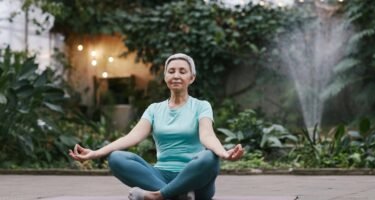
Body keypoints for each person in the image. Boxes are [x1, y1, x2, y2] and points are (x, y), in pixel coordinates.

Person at [69, 53, 244, 200]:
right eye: (171, 71)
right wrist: (95, 153)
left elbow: (207, 136)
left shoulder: (201, 106)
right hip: (160, 175)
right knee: (116, 158)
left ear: (192, 78)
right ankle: (175, 195)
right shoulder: (154, 109)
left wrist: (224, 153)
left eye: (182, 71)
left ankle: (158, 197)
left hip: (195, 177)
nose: (176, 75)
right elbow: (132, 137)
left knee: (209, 158)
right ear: (165, 76)